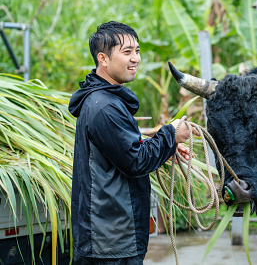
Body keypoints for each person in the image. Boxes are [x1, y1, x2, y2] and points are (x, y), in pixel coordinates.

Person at [68, 21, 192, 264]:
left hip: (112, 236)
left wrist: (167, 149)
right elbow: (136, 160)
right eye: (127, 52)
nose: (135, 58)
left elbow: (125, 151)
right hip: (110, 242)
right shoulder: (103, 107)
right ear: (103, 59)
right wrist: (171, 133)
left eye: (137, 51)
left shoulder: (105, 101)